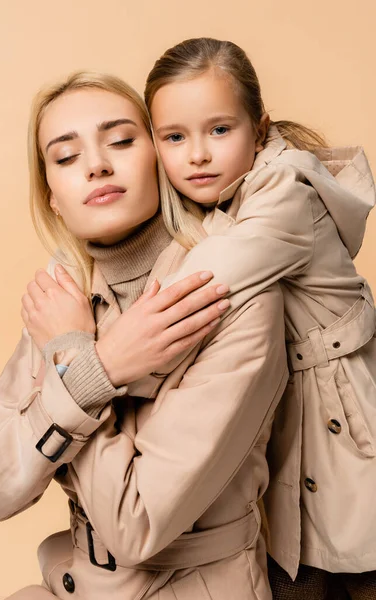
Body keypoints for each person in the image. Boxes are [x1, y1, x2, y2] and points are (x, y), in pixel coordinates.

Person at [0, 71, 288, 600]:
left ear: (160, 159)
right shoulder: (63, 298)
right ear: (52, 196)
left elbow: (136, 527)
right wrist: (98, 368)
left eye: (120, 141)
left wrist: (77, 360)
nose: (97, 164)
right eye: (66, 157)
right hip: (74, 580)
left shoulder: (230, 291)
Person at [144, 37, 376, 599]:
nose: (197, 154)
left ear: (259, 126)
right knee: (298, 569)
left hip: (346, 421)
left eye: (219, 130)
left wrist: (105, 350)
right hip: (288, 427)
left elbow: (204, 282)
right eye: (175, 137)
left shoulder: (283, 190)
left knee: (358, 564)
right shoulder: (217, 200)